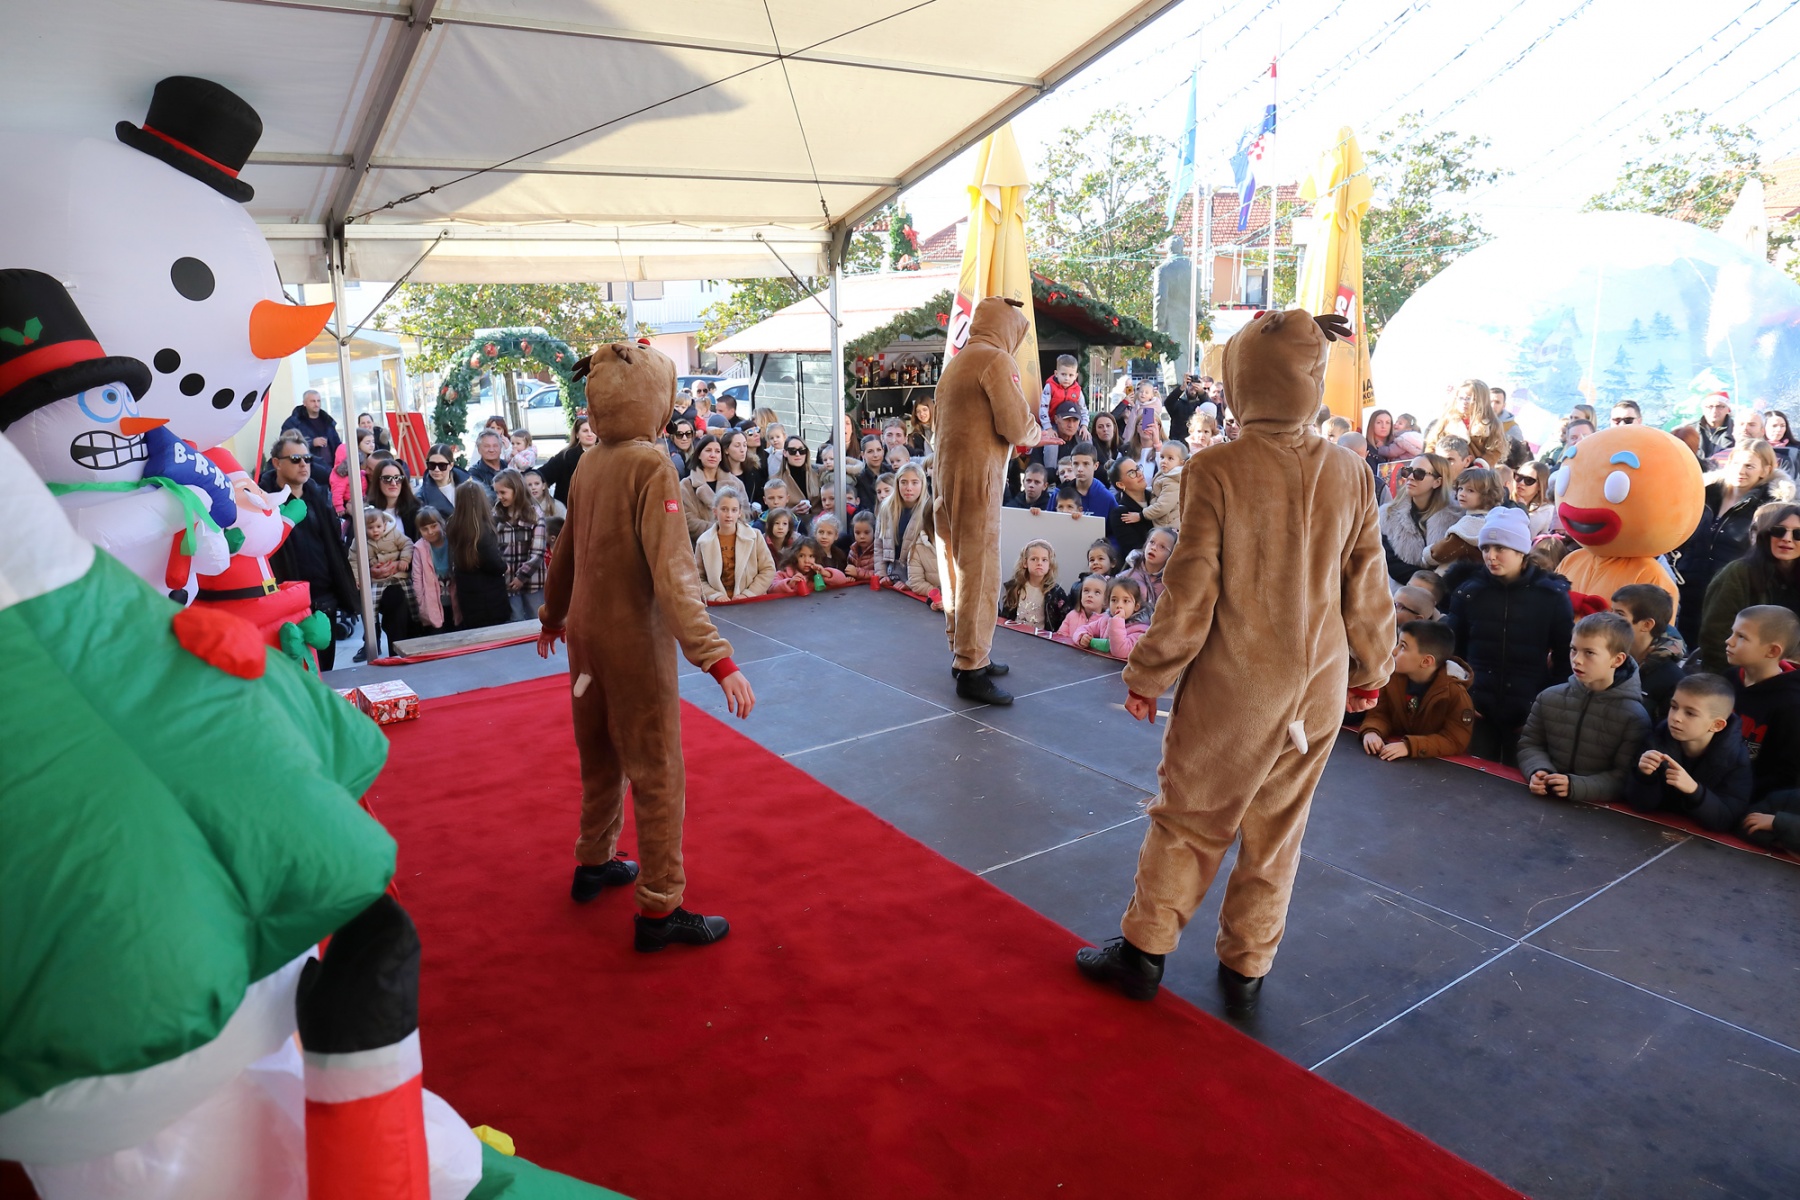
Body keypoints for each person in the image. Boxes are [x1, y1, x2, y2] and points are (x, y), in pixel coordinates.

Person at [1077, 309, 1391, 1013]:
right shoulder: (1352, 472)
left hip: (1239, 683)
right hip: (1319, 686)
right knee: (1278, 831)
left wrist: (1149, 674)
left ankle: (1145, 952)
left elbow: (1191, 589)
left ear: (1243, 379)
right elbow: (1368, 586)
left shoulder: (1217, 468)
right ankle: (1248, 965)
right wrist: (1372, 671)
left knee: (1188, 818)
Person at [537, 342, 753, 952]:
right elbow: (674, 574)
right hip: (633, 642)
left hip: (585, 641)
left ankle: (593, 862)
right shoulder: (651, 466)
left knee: (600, 756)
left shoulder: (588, 463)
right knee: (656, 771)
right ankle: (661, 907)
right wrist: (716, 658)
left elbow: (565, 552)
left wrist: (552, 616)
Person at [933, 296, 1043, 705]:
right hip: (978, 480)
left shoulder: (956, 363)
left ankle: (964, 651)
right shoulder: (996, 360)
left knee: (955, 570)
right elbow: (1015, 425)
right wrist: (1037, 434)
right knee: (979, 575)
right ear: (1009, 328)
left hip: (945, 479)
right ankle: (972, 669)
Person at [1444, 508, 1576, 763]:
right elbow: (1453, 651)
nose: (1491, 556)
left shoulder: (1550, 596)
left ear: (1521, 551)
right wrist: (1462, 696)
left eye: (1500, 548)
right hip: (1476, 707)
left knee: (1518, 779)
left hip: (1529, 710)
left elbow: (1565, 658)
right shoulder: (1469, 592)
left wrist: (1543, 706)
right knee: (1470, 776)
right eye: (1485, 548)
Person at [1515, 611, 1650, 803]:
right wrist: (1539, 771)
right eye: (1573, 649)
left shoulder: (1634, 716)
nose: (1577, 659)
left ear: (1617, 660)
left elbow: (1624, 776)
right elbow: (1530, 744)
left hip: (1596, 810)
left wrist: (1577, 786)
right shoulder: (1549, 698)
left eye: (1589, 653)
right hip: (1542, 801)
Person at [1676, 440, 1795, 644]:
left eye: (1749, 466)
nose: (1741, 470)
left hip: (1730, 592)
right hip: (1687, 586)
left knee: (1716, 646)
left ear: (1765, 470)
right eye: (1737, 463)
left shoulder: (1770, 509)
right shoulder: (1704, 493)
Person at [265, 430, 357, 670]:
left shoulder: (319, 497)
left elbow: (334, 548)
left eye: (307, 459)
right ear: (277, 463)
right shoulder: (264, 501)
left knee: (325, 672)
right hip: (285, 603)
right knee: (293, 674)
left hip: (323, 600)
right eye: (295, 459)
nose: (303, 464)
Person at [1624, 673, 1752, 832]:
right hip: (1648, 830)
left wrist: (1695, 790)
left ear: (1717, 725)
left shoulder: (1735, 758)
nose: (1676, 717)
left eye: (1690, 713)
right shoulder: (1656, 740)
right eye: (1674, 706)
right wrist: (1644, 776)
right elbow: (1640, 805)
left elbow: (1727, 819)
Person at [1695, 503, 1800, 675]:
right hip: (1737, 676)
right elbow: (1715, 636)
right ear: (1767, 534)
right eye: (1779, 531)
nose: (1787, 538)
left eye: (1798, 534)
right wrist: (1746, 678)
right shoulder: (1738, 573)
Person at [1360, 619, 1476, 761]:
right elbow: (1380, 713)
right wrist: (1372, 731)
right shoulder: (1390, 678)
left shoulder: (1455, 694)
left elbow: (1454, 740)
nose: (1394, 651)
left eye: (1403, 647)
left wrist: (1410, 746)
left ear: (1426, 661)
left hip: (1434, 766)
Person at [1725, 604, 1800, 802]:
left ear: (1772, 650)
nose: (1729, 641)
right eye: (1732, 633)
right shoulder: (1729, 678)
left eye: (1741, 637)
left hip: (1749, 799)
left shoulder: (1791, 703)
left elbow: (1785, 773)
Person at [1611, 583, 1689, 721]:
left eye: (1619, 614)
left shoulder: (1671, 679)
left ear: (1646, 625)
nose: (1609, 620)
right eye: (1611, 611)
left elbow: (1664, 727)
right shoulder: (1606, 659)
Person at [1380, 454, 1458, 583]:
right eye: (1407, 471)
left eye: (1419, 473)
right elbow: (1391, 563)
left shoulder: (1456, 517)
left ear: (1437, 482)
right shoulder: (1387, 515)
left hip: (1444, 591)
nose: (1410, 477)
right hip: (1400, 590)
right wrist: (1428, 581)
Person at [446, 478, 510, 630]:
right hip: (489, 596)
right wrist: (504, 567)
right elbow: (492, 562)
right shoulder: (482, 529)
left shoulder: (453, 524)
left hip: (466, 590)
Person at [349, 507, 413, 659]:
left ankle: (406, 636)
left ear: (385, 525)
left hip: (396, 576)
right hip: (375, 580)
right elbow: (353, 559)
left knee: (408, 602)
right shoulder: (360, 540)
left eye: (378, 526)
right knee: (369, 608)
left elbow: (407, 544)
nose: (375, 531)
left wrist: (404, 560)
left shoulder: (394, 534)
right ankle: (371, 637)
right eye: (370, 528)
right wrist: (357, 578)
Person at [693, 487, 774, 603]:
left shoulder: (755, 536)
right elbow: (697, 577)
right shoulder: (703, 541)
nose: (729, 515)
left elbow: (768, 569)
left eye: (734, 510)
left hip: (752, 603)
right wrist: (714, 595)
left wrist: (748, 594)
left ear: (740, 512)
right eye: (724, 509)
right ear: (715, 511)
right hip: (718, 605)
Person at [493, 467, 546, 623]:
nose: (499, 497)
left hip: (533, 580)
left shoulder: (535, 514)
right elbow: (494, 548)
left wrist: (522, 576)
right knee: (514, 620)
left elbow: (538, 552)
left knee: (536, 619)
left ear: (516, 490)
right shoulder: (496, 515)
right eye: (497, 493)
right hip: (508, 581)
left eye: (503, 492)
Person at [1426, 379, 1509, 467]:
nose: (1464, 402)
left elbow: (1495, 450)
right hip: (1447, 468)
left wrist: (1479, 466)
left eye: (1469, 399)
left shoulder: (1491, 423)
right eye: (1461, 398)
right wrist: (1432, 463)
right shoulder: (1447, 420)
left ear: (1481, 400)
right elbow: (1432, 444)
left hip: (1477, 472)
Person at [876, 462, 931, 586]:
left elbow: (930, 554)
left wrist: (911, 583)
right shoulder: (886, 508)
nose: (908, 488)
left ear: (922, 484)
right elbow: (878, 545)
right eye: (904, 482)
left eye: (914, 482)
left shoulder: (929, 510)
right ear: (897, 484)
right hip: (890, 573)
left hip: (917, 576)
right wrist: (881, 574)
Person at [998, 538, 1069, 632]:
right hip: (1013, 634)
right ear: (1025, 563)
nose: (1039, 563)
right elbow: (1004, 617)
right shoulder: (1013, 587)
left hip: (1040, 638)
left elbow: (1064, 622)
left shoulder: (1056, 592)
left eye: (1044, 560)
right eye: (1034, 559)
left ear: (1050, 564)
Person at [1071, 576, 1149, 661]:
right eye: (1114, 600)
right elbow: (1083, 629)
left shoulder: (1141, 630)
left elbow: (1121, 652)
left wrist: (1117, 621)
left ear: (1136, 606)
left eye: (1125, 601)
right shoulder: (1105, 620)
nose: (1119, 605)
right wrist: (1082, 636)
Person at [1117, 526, 1176, 622]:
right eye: (1152, 542)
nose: (1154, 548)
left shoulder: (1171, 585)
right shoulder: (1125, 577)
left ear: (1171, 555)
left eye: (1162, 547)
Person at [408, 504, 451, 633]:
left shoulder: (452, 542)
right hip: (432, 604)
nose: (430, 532)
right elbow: (417, 578)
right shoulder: (419, 548)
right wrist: (421, 603)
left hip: (454, 601)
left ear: (441, 523)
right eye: (424, 529)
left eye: (433, 526)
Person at [679, 433, 728, 543]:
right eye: (708, 450)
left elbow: (744, 514)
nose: (713, 455)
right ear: (699, 454)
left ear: (721, 457)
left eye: (717, 451)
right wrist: (718, 530)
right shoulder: (686, 485)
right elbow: (687, 519)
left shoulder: (735, 483)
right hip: (700, 545)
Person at [281, 388, 341, 477]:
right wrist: (311, 443)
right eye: (313, 401)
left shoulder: (327, 421)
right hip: (307, 470)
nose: (316, 404)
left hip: (332, 469)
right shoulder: (294, 422)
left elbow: (337, 443)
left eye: (318, 401)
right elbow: (286, 445)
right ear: (304, 403)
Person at [1107, 456, 1152, 560]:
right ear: (1120, 484)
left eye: (1138, 468)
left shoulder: (1157, 498)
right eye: (1132, 473)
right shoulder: (1120, 514)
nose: (1139, 474)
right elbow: (1134, 549)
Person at [368, 458, 422, 539]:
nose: (393, 483)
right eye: (387, 479)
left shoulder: (416, 509)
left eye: (397, 478)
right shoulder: (368, 511)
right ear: (377, 482)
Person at [1060, 442, 1116, 519]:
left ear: (1096, 466)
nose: (1080, 469)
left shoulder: (1106, 497)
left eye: (1086, 464)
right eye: (1076, 463)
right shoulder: (1059, 493)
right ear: (1071, 464)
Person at [774, 537, 850, 593]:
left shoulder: (818, 573)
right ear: (794, 557)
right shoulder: (784, 573)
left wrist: (825, 573)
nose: (807, 561)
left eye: (811, 556)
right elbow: (772, 588)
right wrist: (790, 583)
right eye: (801, 556)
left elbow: (842, 580)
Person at [1144, 440, 1187, 531]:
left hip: (1169, 527)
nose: (1164, 461)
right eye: (1162, 457)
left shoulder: (1173, 481)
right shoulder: (1166, 474)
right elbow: (1158, 490)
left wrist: (1142, 515)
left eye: (1170, 458)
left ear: (1181, 463)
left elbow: (1163, 506)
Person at [1055, 574, 1109, 645]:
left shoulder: (1106, 621)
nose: (1090, 595)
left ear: (1105, 600)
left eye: (1097, 592)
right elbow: (1060, 638)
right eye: (1086, 590)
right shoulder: (1071, 615)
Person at [418, 442, 469, 517]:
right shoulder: (421, 497)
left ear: (451, 465)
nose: (436, 469)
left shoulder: (469, 484)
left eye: (442, 466)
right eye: (432, 465)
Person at [1039, 352, 1087, 433]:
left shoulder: (1078, 390)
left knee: (1085, 438)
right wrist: (1048, 427)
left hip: (1070, 424)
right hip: (1051, 423)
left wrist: (1084, 425)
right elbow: (1043, 407)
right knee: (1049, 440)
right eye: (1063, 374)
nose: (1067, 378)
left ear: (1076, 376)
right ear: (1056, 373)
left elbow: (1083, 409)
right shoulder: (1050, 387)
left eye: (1071, 375)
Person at [1513, 460, 1556, 538]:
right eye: (1519, 477)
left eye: (1529, 480)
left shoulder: (1547, 511)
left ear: (1540, 486)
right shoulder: (1503, 500)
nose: (1521, 483)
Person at [468, 428, 508, 495]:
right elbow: (486, 496)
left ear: (501, 448)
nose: (491, 450)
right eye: (487, 446)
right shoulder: (474, 472)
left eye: (495, 446)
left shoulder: (508, 466)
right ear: (479, 449)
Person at [1698, 392, 1734, 461]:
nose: (1714, 411)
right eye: (1710, 407)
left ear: (1728, 409)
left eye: (1719, 406)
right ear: (1703, 409)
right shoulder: (1691, 430)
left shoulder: (1737, 430)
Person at [1762, 410, 1798, 474]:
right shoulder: (1755, 448)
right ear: (1763, 428)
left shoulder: (1796, 449)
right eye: (1774, 426)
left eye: (1782, 426)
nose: (1779, 429)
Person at [845, 511, 878, 581]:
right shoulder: (852, 551)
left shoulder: (878, 551)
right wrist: (850, 577)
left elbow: (879, 574)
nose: (862, 536)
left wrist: (857, 573)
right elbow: (849, 570)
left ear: (874, 531)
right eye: (857, 533)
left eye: (866, 532)